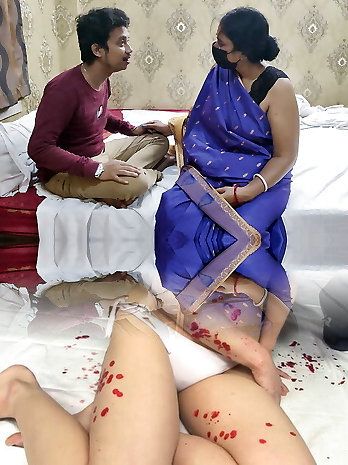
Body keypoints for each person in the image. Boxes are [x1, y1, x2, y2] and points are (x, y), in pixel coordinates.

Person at [147, 7, 299, 394]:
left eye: (222, 43)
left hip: (260, 178)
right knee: (173, 211)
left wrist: (248, 191)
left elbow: (285, 155)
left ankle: (262, 345)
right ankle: (200, 303)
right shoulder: (219, 75)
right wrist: (174, 131)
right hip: (212, 172)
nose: (215, 47)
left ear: (243, 50)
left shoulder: (277, 88)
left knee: (243, 238)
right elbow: (203, 125)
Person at [1, 303, 315, 465]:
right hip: (155, 327)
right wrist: (257, 356)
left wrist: (262, 349)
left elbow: (281, 283)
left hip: (226, 363)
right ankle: (18, 389)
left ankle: (131, 429)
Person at [28, 8, 169, 208]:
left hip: (100, 154)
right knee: (139, 182)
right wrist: (98, 170)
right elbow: (38, 148)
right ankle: (151, 174)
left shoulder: (102, 80)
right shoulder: (62, 90)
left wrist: (132, 130)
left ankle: (120, 180)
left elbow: (99, 114)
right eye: (122, 43)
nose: (129, 49)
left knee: (158, 140)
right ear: (97, 50)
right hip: (65, 173)